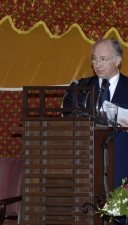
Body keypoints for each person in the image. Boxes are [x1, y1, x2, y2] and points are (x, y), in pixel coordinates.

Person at [66, 38, 128, 188]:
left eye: (103, 59)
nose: (97, 64)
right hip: (86, 164)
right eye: (94, 59)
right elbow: (67, 118)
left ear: (118, 60)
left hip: (122, 164)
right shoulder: (81, 87)